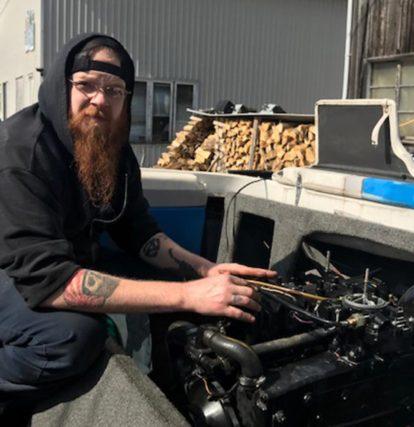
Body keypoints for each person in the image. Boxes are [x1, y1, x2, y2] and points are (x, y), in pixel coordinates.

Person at [0, 33, 276, 411]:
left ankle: (171, 399)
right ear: (61, 87)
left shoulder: (110, 147)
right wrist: (186, 295)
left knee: (173, 289)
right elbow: (49, 281)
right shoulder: (21, 154)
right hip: (15, 271)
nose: (100, 99)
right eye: (86, 85)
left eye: (114, 90)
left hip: (64, 264)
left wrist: (202, 271)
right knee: (72, 338)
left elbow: (139, 233)